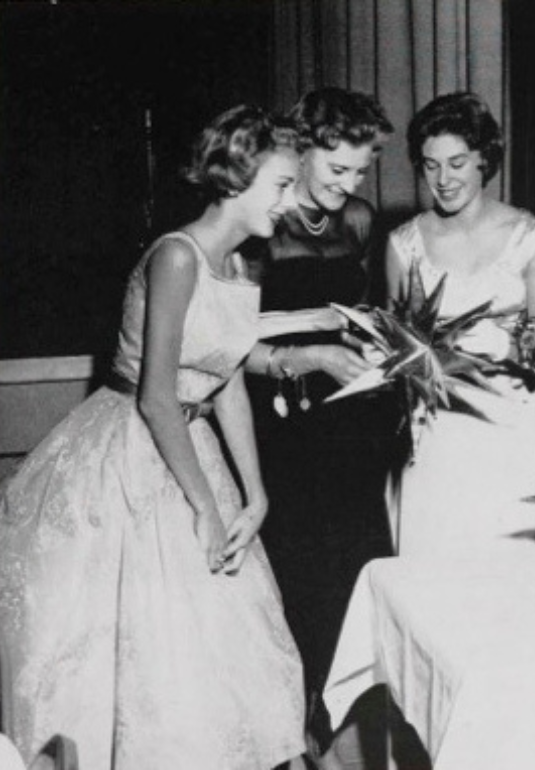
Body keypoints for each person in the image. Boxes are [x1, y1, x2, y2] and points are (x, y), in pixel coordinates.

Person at [0, 105, 306, 769]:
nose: (290, 202)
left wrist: (255, 494)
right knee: (147, 645)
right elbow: (157, 398)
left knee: (221, 645)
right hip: (130, 453)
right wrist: (205, 506)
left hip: (194, 447)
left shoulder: (242, 265)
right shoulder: (177, 256)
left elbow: (227, 382)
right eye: (282, 185)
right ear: (238, 177)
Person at [242, 87, 398, 748]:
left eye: (361, 171)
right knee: (295, 568)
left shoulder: (359, 220)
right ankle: (297, 727)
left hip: (348, 418)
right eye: (337, 168)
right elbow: (224, 336)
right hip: (278, 418)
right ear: (301, 152)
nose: (350, 185)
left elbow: (363, 315)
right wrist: (312, 351)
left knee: (356, 564)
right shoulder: (261, 219)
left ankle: (344, 727)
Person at [385, 92, 535, 557]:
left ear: (485, 158)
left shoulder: (531, 237)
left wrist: (502, 346)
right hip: (436, 429)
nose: (443, 180)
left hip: (512, 427)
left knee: (510, 571)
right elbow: (396, 352)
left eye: (457, 163)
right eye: (431, 165)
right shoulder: (404, 244)